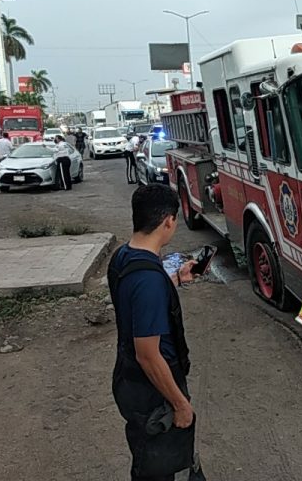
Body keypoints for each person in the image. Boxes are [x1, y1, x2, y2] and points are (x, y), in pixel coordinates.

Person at [108, 184, 206, 480]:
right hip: (152, 390)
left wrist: (175, 279)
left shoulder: (123, 257)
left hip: (129, 379)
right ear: (168, 221)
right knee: (157, 466)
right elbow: (148, 356)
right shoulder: (148, 280)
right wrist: (180, 404)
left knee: (147, 455)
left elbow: (137, 302)